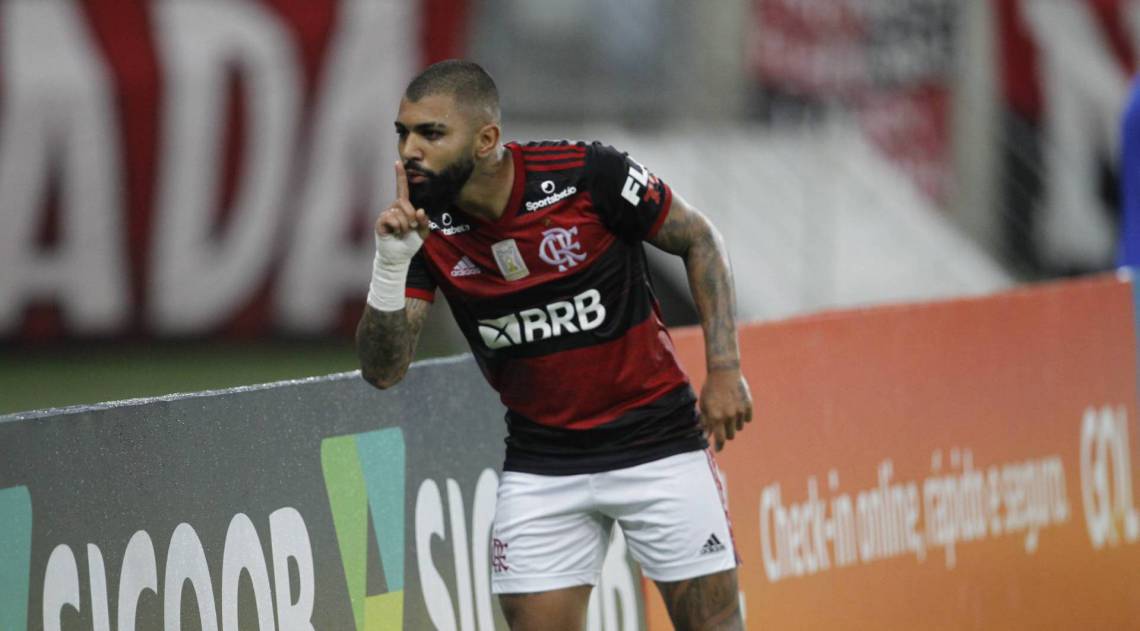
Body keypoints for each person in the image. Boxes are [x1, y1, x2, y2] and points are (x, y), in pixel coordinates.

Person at [357, 59, 753, 631]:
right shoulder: (423, 228)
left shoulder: (587, 175)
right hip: (544, 465)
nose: (410, 149)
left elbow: (700, 239)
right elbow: (383, 370)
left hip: (658, 445)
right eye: (403, 132)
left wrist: (724, 368)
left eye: (431, 133)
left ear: (487, 138)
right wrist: (391, 264)